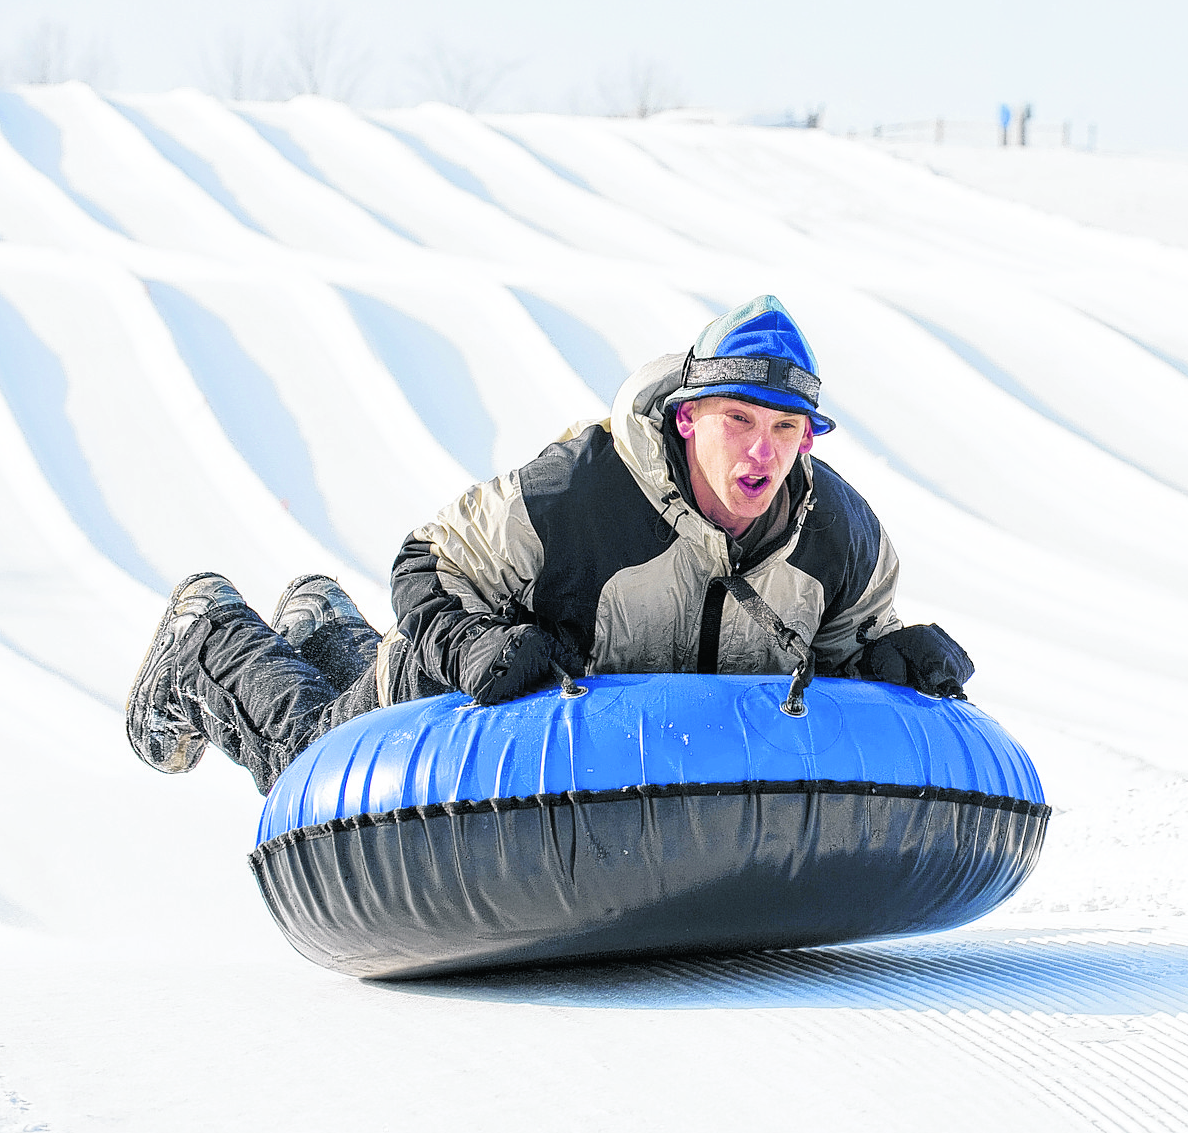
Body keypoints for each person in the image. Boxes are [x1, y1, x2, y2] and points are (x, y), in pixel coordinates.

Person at [125, 295, 974, 794]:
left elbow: (828, 665)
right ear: (688, 419)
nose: (762, 451)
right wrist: (472, 644)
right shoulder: (584, 493)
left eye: (785, 428)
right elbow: (428, 560)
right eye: (739, 420)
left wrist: (889, 666)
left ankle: (321, 625)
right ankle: (208, 634)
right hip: (462, 690)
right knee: (304, 757)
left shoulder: (843, 543)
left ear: (809, 442)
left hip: (644, 760)